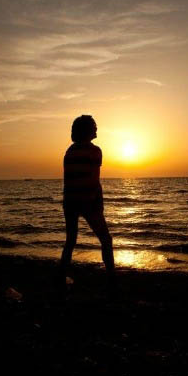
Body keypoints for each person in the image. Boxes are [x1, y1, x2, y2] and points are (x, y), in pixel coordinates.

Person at [59, 115, 116, 293]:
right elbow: (93, 180)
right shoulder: (95, 151)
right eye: (94, 126)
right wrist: (98, 204)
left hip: (69, 201)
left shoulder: (69, 151)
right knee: (106, 240)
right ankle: (111, 279)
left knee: (70, 241)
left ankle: (60, 276)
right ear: (88, 130)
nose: (96, 129)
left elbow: (69, 180)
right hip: (88, 201)